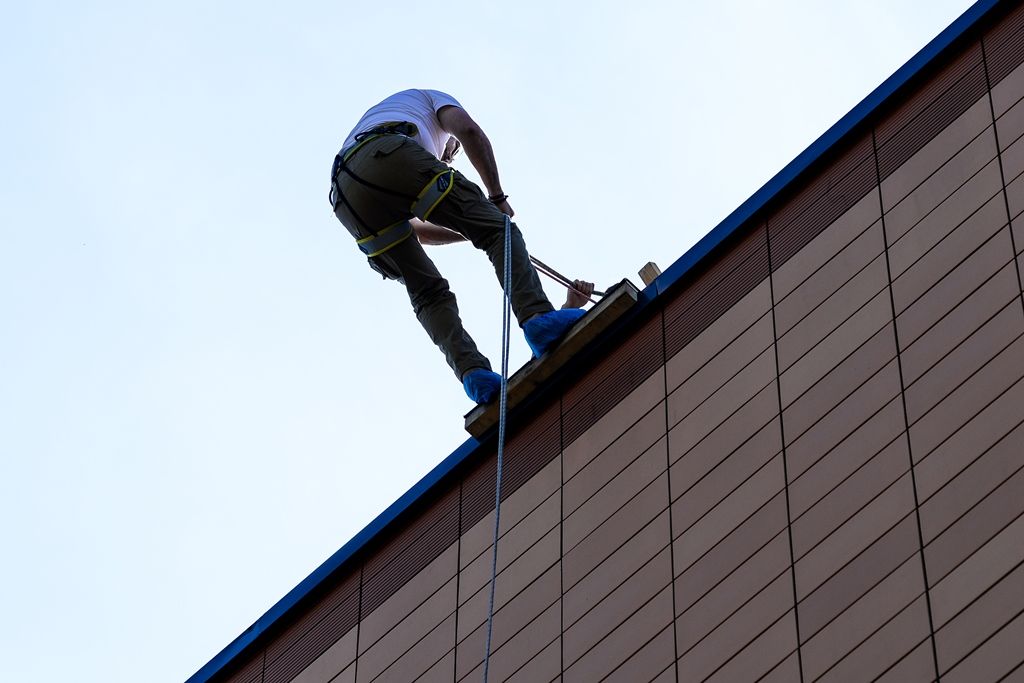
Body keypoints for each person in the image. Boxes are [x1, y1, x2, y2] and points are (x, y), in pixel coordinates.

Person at [329, 89, 591, 404]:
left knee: (427, 291)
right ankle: (537, 318)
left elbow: (416, 231)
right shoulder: (434, 102)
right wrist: (495, 199)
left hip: (347, 197)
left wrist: (470, 226)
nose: (447, 159)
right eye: (450, 154)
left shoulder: (392, 114)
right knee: (501, 231)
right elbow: (468, 131)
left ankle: (475, 376)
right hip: (387, 152)